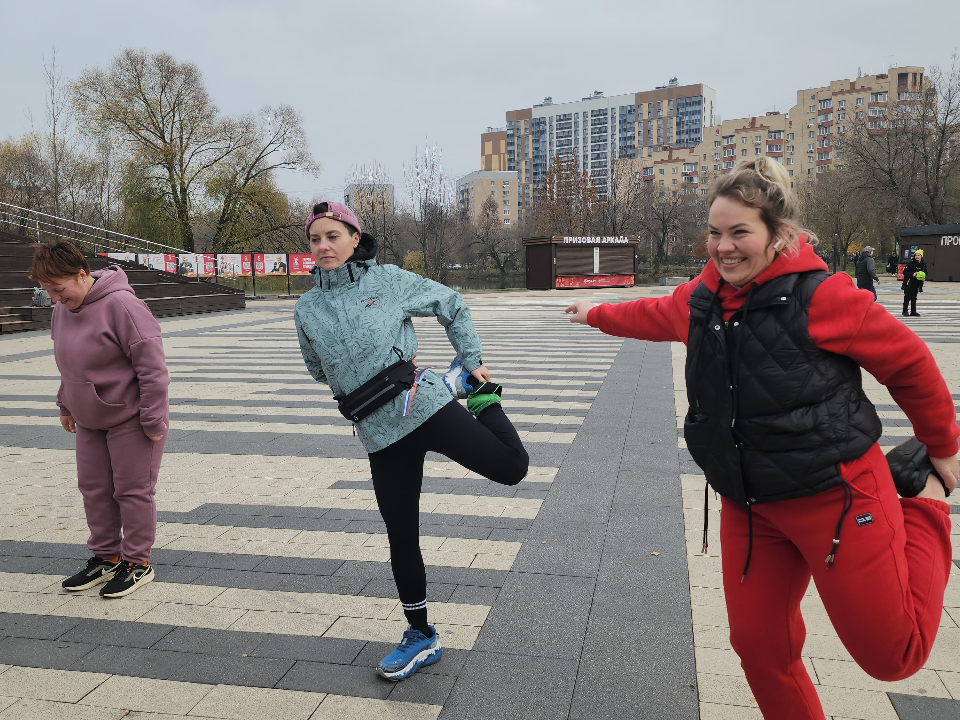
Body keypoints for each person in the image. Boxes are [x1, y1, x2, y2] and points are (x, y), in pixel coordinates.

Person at [565, 158, 957, 720]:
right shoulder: (700, 300)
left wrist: (941, 444)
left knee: (894, 657)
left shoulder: (823, 297)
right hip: (750, 504)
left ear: (779, 236)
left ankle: (921, 508)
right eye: (715, 233)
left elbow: (911, 364)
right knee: (758, 647)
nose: (724, 247)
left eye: (740, 232)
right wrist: (597, 312)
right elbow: (651, 314)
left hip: (837, 496)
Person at [294, 201, 528, 682]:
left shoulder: (389, 281)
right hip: (378, 434)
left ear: (355, 238)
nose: (323, 246)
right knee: (401, 536)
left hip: (423, 406)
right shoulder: (306, 308)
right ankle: (421, 635)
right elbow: (317, 368)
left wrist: (473, 358)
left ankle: (477, 395)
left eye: (333, 236)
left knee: (511, 467)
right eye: (316, 239)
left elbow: (452, 304)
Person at [30, 240, 170, 598]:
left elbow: (153, 369)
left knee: (132, 491)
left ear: (81, 273)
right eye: (48, 292)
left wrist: (153, 418)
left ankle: (138, 563)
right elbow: (67, 362)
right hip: (89, 418)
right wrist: (66, 405)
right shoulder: (63, 309)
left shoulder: (123, 306)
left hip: (132, 418)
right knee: (94, 490)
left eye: (59, 290)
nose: (56, 299)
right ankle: (106, 557)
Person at [901, 249, 927, 317]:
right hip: (909, 282)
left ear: (921, 256)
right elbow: (905, 272)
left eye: (918, 255)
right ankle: (905, 311)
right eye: (916, 255)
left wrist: (924, 278)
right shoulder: (911, 263)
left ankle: (913, 312)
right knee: (907, 297)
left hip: (917, 283)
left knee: (914, 297)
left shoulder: (923, 264)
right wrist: (912, 274)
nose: (917, 257)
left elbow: (925, 273)